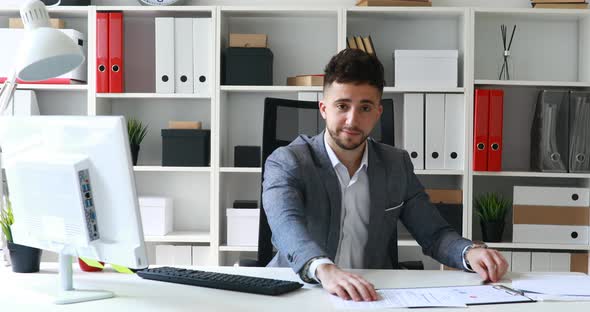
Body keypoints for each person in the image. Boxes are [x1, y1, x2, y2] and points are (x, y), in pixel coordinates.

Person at [262, 48, 508, 302]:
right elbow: (285, 225)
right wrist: (324, 269)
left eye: (365, 107)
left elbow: (434, 234)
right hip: (299, 293)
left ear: (378, 112)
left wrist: (469, 253)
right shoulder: (287, 161)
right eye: (342, 106)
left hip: (371, 295)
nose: (352, 120)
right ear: (324, 108)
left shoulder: (396, 164)